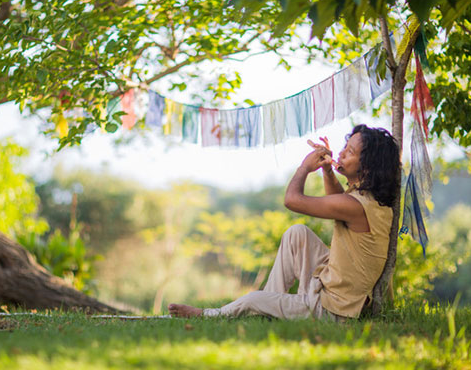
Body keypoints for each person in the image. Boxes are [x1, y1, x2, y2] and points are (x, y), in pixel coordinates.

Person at [169, 124, 400, 320]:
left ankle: (212, 315)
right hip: (336, 285)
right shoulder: (368, 201)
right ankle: (269, 309)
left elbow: (292, 200)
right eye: (344, 148)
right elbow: (337, 203)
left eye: (349, 152)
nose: (340, 154)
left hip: (334, 310)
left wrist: (305, 168)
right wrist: (328, 171)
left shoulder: (355, 205)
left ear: (367, 168)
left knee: (252, 299)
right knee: (297, 234)